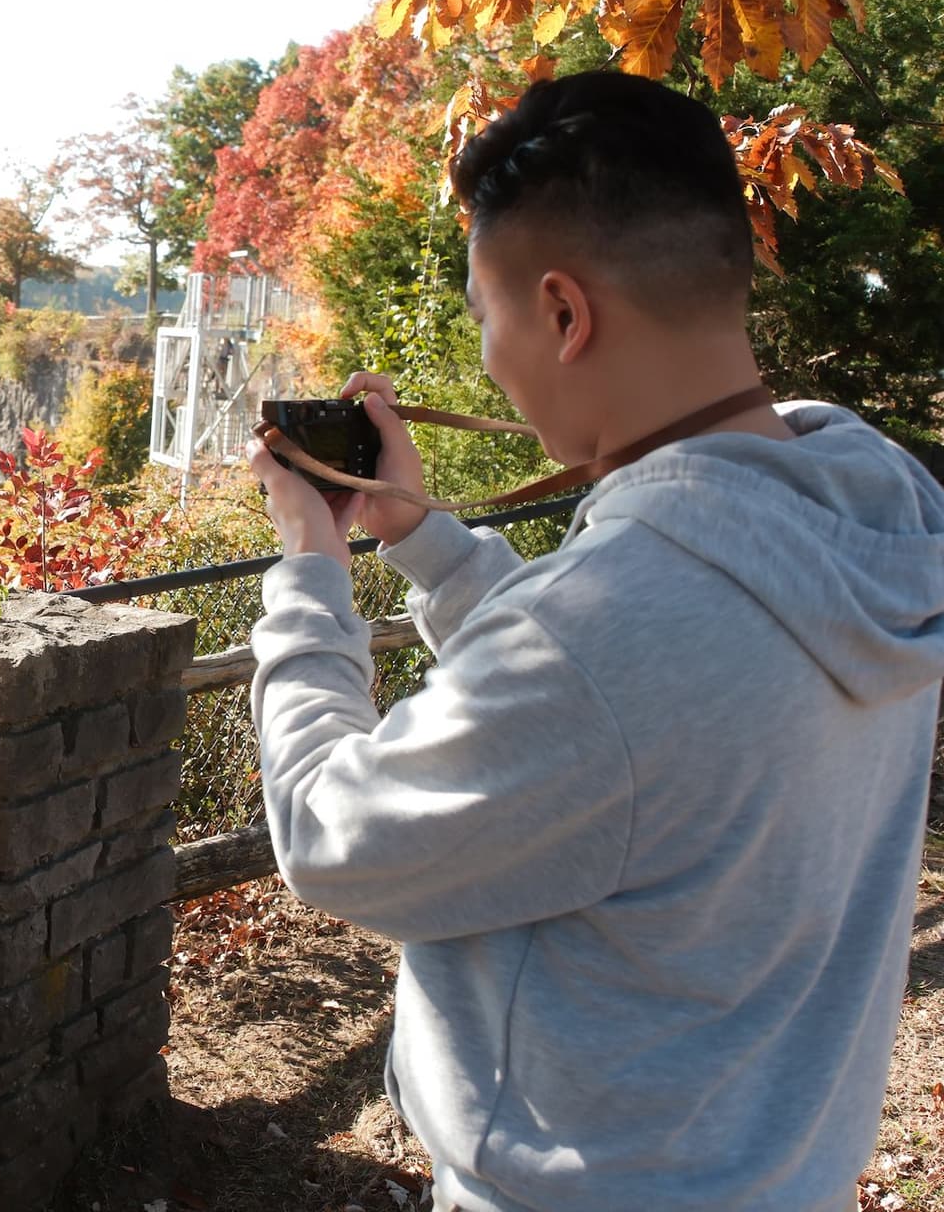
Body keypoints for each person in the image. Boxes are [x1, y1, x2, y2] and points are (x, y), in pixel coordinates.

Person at [242, 73, 944, 1210]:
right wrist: (424, 540)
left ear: (565, 314)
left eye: (484, 314)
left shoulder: (608, 633)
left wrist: (311, 573)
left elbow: (333, 834)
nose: (484, 357)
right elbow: (630, 714)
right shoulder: (874, 522)